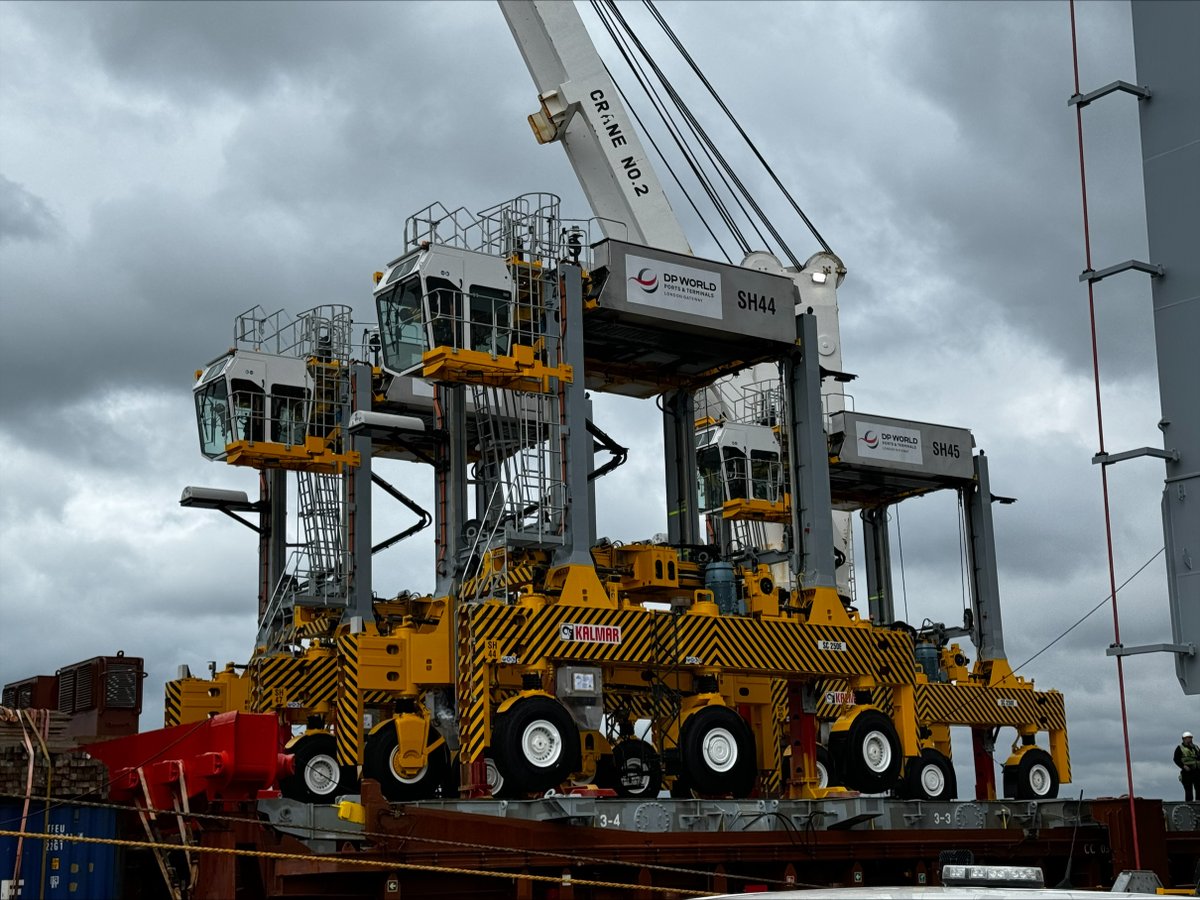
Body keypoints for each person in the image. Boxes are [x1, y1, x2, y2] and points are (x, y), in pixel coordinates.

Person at [1175, 731, 1199, 802]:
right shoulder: (1180, 748)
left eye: (1190, 738)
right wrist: (1183, 766)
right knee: (1188, 790)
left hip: (1197, 771)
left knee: (1198, 788)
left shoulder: (1196, 747)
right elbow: (1176, 759)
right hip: (1187, 772)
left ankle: (1198, 804)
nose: (1189, 740)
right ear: (1183, 739)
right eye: (1187, 738)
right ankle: (1190, 804)